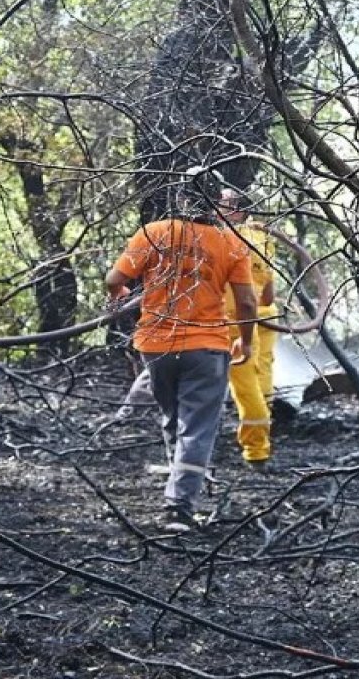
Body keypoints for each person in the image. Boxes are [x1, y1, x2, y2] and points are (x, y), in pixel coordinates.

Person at [106, 183, 258, 531]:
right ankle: (179, 507)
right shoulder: (231, 244)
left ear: (179, 201)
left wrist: (120, 296)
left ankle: (180, 482)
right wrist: (246, 343)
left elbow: (113, 279)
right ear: (213, 206)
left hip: (156, 345)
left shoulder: (153, 233)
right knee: (196, 428)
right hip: (207, 347)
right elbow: (248, 303)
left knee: (174, 418)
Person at [216, 189, 279, 468]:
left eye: (224, 204)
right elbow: (269, 290)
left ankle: (257, 450)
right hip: (265, 314)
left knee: (244, 384)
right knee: (262, 375)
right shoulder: (260, 236)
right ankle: (267, 427)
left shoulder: (227, 239)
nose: (217, 208)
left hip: (238, 318)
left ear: (238, 210)